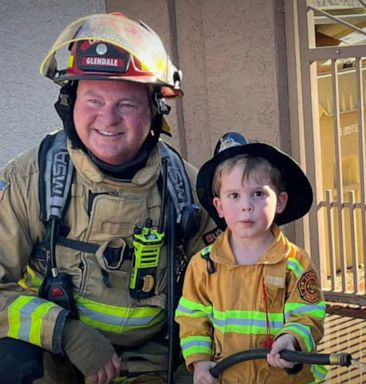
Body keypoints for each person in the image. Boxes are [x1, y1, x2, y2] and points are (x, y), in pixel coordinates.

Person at [0, 13, 218, 384]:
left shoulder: (188, 190)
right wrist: (64, 332)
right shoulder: (29, 180)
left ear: (154, 111)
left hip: (156, 362)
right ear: (70, 103)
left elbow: (229, 290)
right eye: (94, 100)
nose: (108, 119)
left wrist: (198, 364)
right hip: (57, 361)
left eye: (127, 104)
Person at [175, 132, 327, 383]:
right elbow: (193, 319)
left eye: (258, 194)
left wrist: (291, 339)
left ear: (280, 201)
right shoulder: (203, 265)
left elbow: (308, 314)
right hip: (228, 377)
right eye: (234, 196)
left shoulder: (294, 262)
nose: (246, 205)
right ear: (219, 206)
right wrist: (200, 363)